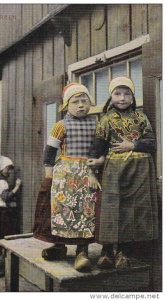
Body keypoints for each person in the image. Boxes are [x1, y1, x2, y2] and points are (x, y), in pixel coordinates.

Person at [87, 76, 158, 269]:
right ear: (111, 96)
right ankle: (107, 251)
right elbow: (99, 145)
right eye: (117, 93)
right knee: (111, 208)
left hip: (140, 170)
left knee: (132, 211)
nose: (122, 98)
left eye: (127, 93)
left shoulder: (141, 117)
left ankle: (123, 253)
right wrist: (94, 165)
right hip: (114, 170)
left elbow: (151, 143)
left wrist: (132, 144)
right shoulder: (106, 119)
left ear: (133, 97)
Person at [34, 83, 99, 272]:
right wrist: (49, 178)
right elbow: (49, 153)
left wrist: (96, 167)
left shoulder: (96, 124)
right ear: (66, 105)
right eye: (75, 101)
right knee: (61, 210)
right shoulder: (60, 126)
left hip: (88, 173)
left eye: (84, 101)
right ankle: (59, 246)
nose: (80, 105)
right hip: (64, 175)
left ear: (90, 103)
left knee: (86, 211)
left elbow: (100, 148)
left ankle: (82, 251)